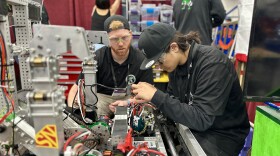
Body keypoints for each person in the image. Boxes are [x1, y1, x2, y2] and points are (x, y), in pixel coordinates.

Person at [110, 23, 250, 155]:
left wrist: (157, 96)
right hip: (194, 127)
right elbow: (174, 102)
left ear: (174, 47)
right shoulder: (176, 66)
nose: (159, 66)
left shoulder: (213, 64)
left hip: (223, 134)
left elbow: (202, 119)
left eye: (159, 61)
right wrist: (135, 102)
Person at [68, 15, 153, 118]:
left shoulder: (141, 60)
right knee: (90, 115)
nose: (121, 43)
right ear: (106, 40)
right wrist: (75, 114)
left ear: (131, 35)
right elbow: (75, 90)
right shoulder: (96, 58)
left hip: (130, 99)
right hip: (102, 100)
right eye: (115, 39)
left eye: (124, 38)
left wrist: (128, 102)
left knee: (147, 111)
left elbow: (148, 93)